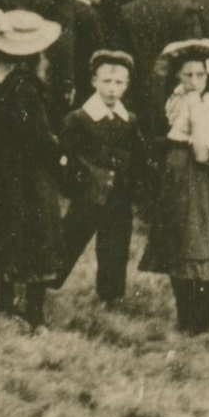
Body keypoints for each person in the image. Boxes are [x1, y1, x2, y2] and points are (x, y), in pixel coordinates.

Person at [140, 38, 209, 332]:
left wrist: (195, 112)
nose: (193, 81)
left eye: (200, 75)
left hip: (206, 180)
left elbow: (203, 154)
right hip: (177, 176)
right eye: (187, 75)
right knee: (180, 243)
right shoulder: (176, 100)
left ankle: (199, 323)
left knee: (202, 244)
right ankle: (183, 318)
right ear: (178, 75)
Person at [0, 9, 68, 326]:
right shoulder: (23, 88)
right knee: (35, 240)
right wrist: (60, 154)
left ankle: (5, 302)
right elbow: (35, 136)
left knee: (3, 235)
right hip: (28, 176)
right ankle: (34, 313)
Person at [58, 50, 140, 307]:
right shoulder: (80, 118)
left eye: (119, 83)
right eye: (106, 81)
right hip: (88, 194)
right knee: (69, 239)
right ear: (94, 81)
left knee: (115, 246)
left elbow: (135, 155)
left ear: (126, 86)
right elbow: (65, 156)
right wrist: (78, 182)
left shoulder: (129, 121)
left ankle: (111, 295)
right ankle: (44, 282)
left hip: (118, 196)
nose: (112, 89)